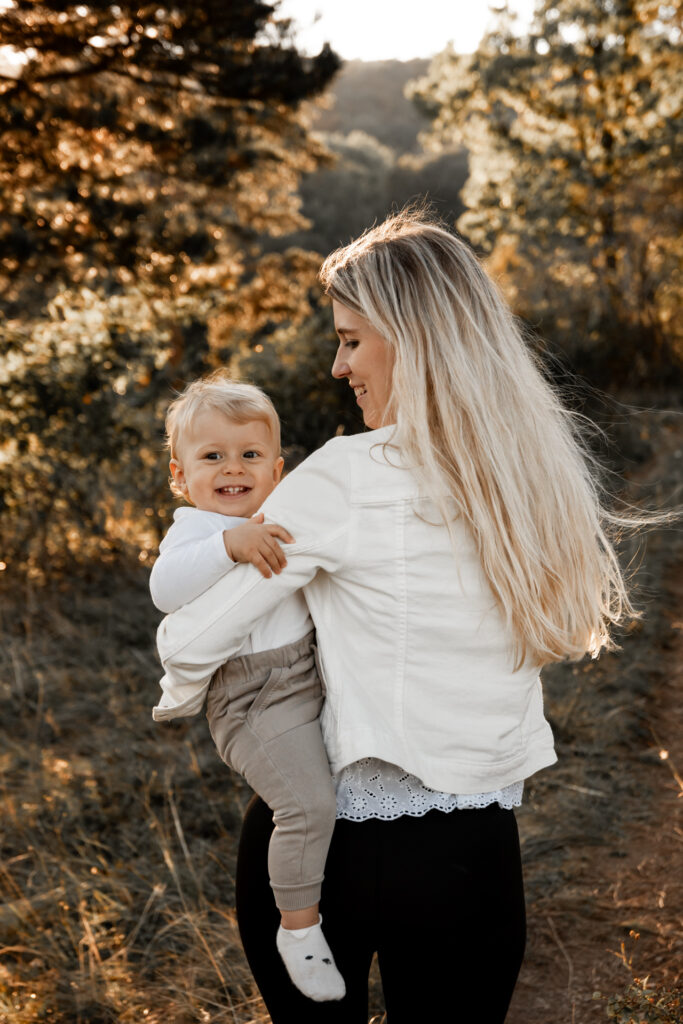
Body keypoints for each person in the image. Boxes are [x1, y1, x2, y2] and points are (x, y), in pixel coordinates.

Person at [155, 208, 637, 1023]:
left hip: (328, 845)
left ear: (410, 337)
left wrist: (186, 681)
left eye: (350, 338)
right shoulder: (533, 474)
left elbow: (189, 634)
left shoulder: (348, 472)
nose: (339, 365)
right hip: (472, 854)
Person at [150, 374, 346, 1002]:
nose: (233, 469)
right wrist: (228, 546)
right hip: (251, 698)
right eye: (213, 457)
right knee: (305, 805)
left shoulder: (281, 516)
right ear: (182, 477)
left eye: (250, 455)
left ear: (277, 468)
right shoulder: (195, 531)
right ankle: (298, 928)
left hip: (308, 674)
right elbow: (165, 590)